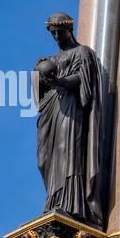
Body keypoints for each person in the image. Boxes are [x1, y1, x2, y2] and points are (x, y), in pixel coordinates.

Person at [34, 14, 102, 226]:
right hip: (51, 109)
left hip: (70, 108)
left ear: (69, 29)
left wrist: (60, 81)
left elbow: (82, 79)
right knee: (46, 158)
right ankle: (53, 199)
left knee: (67, 152)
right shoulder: (49, 60)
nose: (56, 36)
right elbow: (39, 92)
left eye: (59, 32)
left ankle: (71, 203)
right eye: (52, 33)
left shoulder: (81, 52)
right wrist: (37, 75)